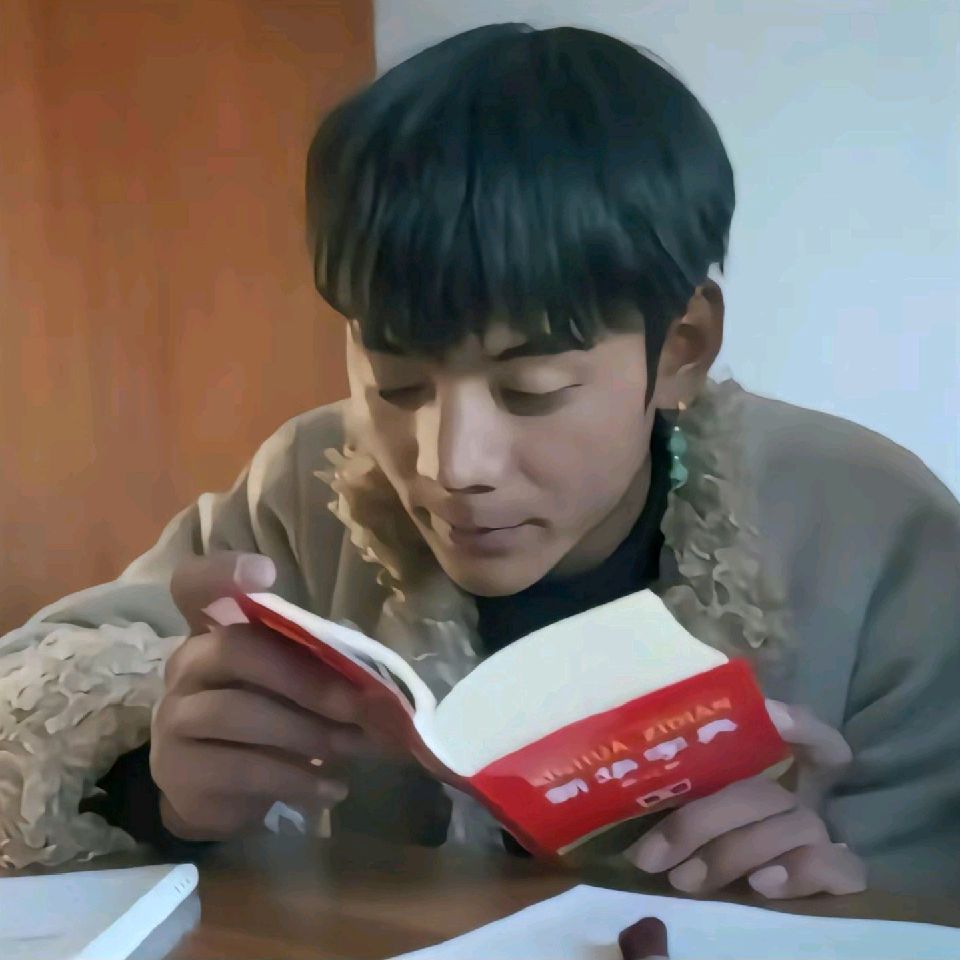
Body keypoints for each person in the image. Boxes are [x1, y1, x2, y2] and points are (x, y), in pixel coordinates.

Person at [1, 24, 957, 900]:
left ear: (681, 348)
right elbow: (34, 702)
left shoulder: (876, 534)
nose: (450, 464)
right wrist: (146, 783)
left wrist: (827, 899)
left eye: (531, 390)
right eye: (397, 382)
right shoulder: (306, 486)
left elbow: (929, 889)